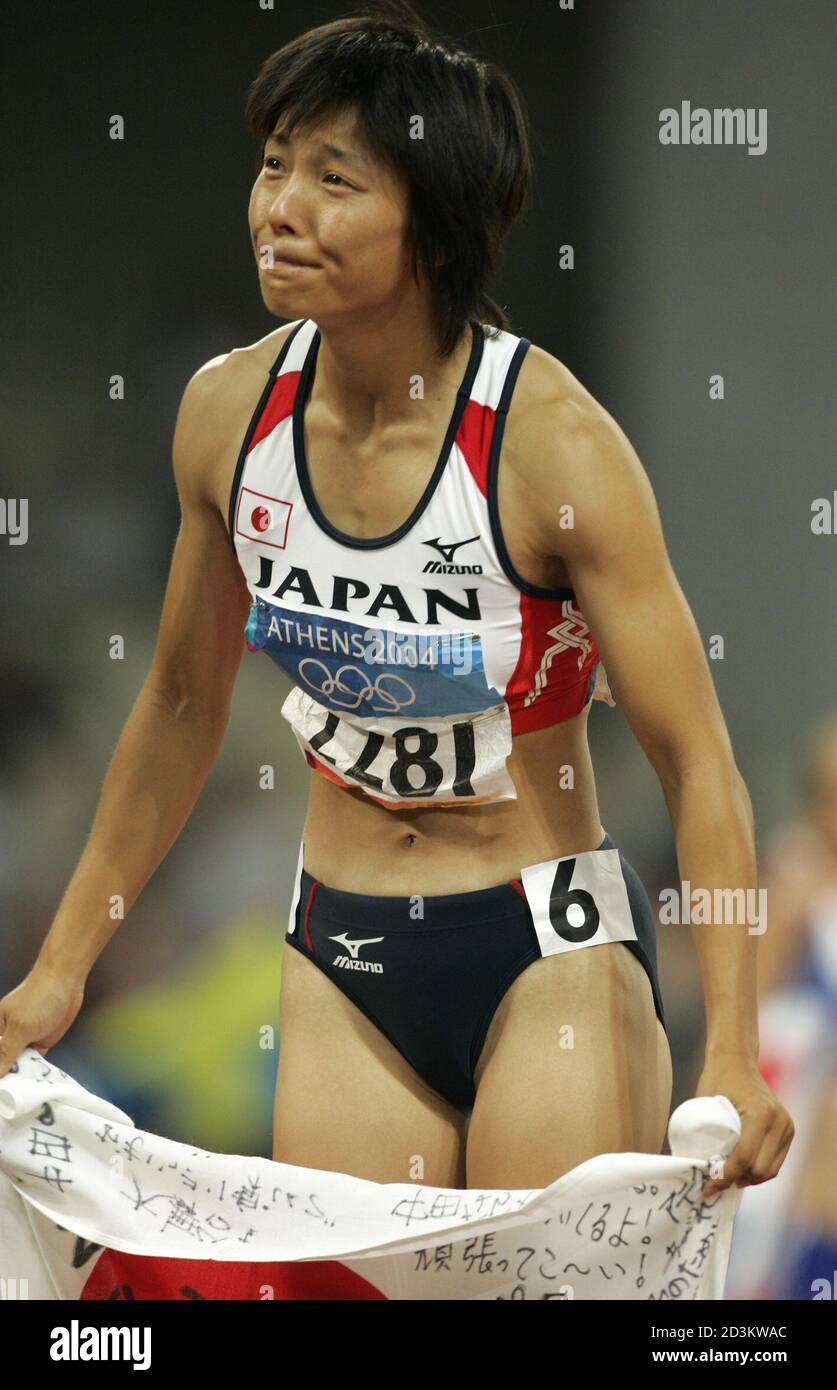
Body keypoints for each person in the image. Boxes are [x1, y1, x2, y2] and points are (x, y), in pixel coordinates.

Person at [0, 7, 793, 1199]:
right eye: (273, 166)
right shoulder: (228, 419)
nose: (280, 206)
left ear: (432, 225)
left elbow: (698, 763)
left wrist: (731, 1037)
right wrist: (62, 968)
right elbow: (176, 704)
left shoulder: (553, 448)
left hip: (548, 946)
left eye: (333, 178)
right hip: (345, 951)